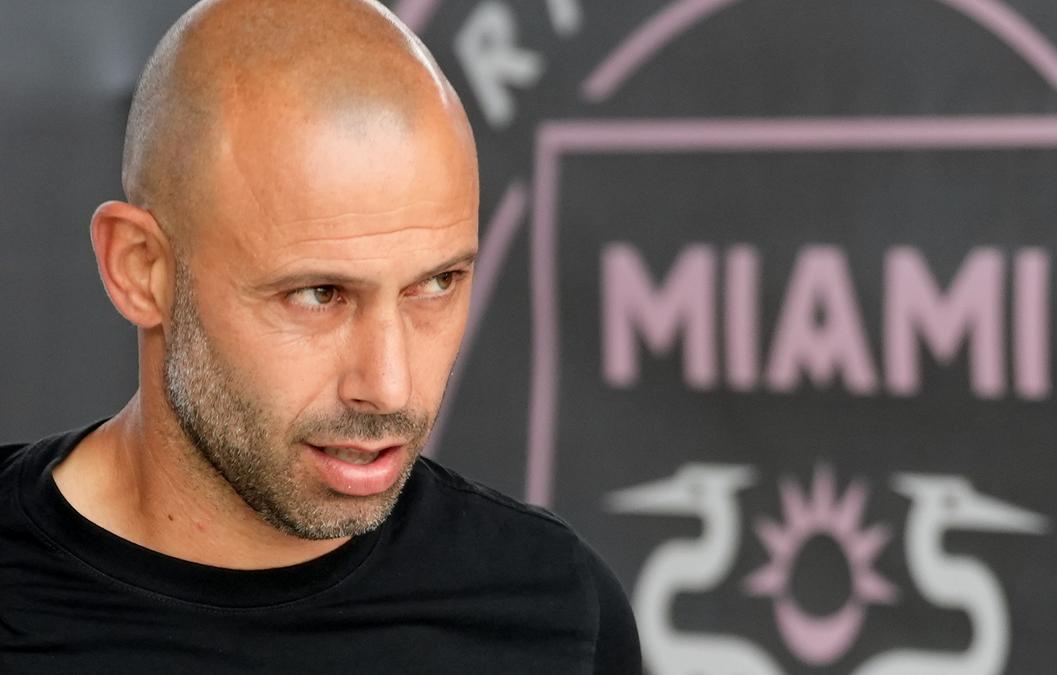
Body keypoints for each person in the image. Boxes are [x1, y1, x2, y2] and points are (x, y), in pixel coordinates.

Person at [0, 0, 640, 672]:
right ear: (141, 270)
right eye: (319, 294)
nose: (388, 386)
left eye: (436, 283)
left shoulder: (555, 614)